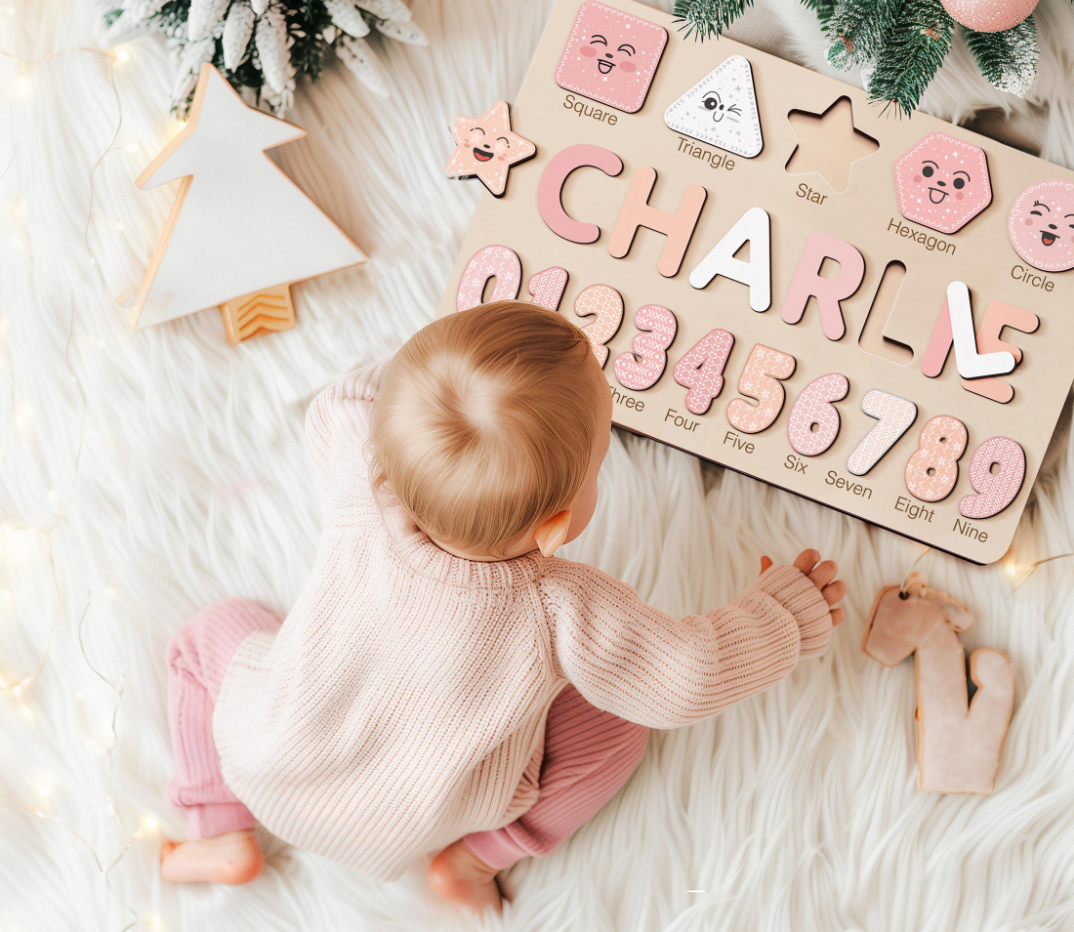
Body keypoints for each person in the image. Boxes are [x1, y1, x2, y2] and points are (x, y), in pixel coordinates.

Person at [158, 301, 846, 911]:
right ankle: (476, 857)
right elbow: (688, 675)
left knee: (209, 634)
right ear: (553, 527)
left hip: (270, 757)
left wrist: (425, 382)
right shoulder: (561, 607)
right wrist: (785, 613)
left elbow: (340, 404)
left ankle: (221, 831)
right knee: (617, 731)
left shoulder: (360, 478)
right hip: (427, 818)